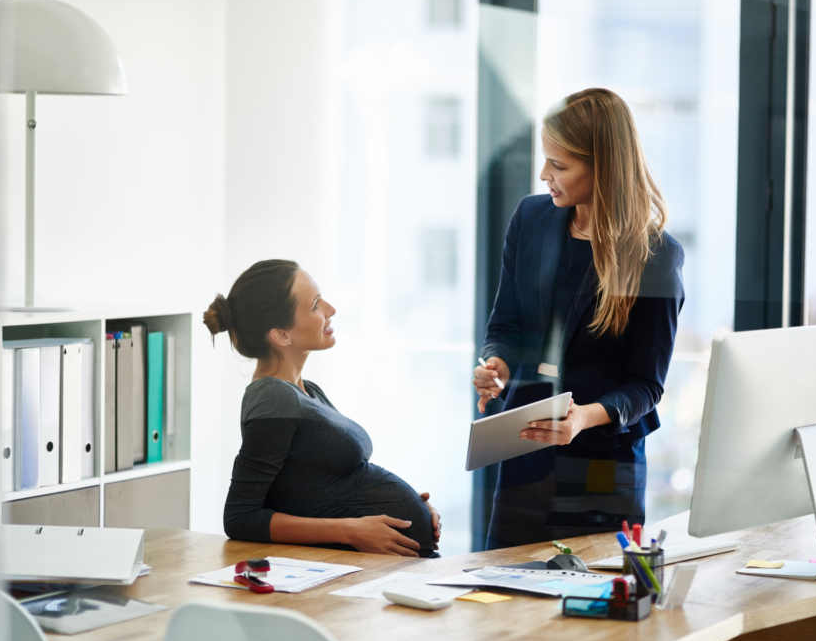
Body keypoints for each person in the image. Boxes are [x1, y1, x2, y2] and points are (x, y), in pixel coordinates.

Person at [472, 88, 685, 549]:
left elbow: (646, 385)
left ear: (602, 167)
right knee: (502, 596)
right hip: (525, 456)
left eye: (559, 165)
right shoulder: (530, 218)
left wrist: (583, 418)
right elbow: (505, 326)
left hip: (603, 466)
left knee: (591, 606)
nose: (543, 174)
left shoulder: (656, 257)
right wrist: (496, 365)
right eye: (546, 160)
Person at [206, 260, 440, 557]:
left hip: (393, 565)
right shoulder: (272, 397)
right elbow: (241, 516)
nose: (330, 309)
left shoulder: (307, 391)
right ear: (281, 335)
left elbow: (311, 490)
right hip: (355, 570)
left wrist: (412, 507)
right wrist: (351, 529)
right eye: (316, 305)